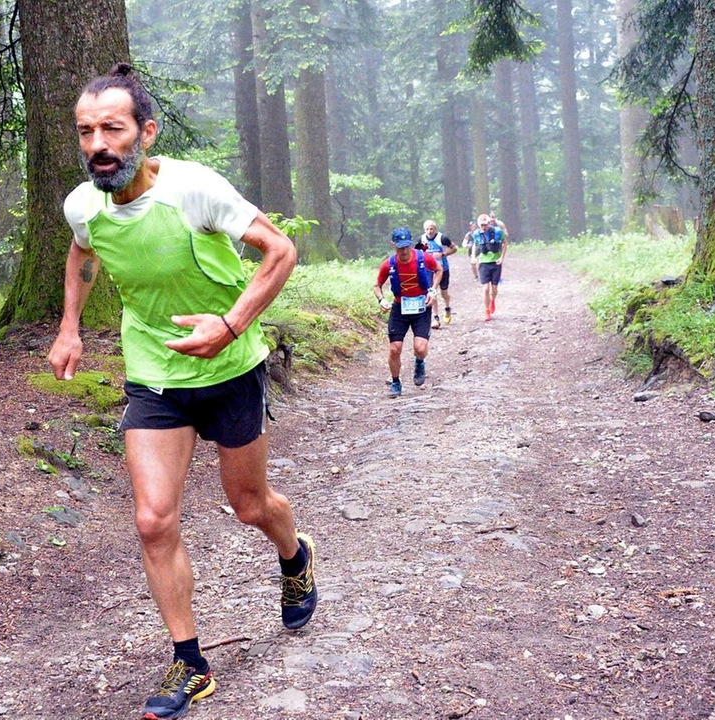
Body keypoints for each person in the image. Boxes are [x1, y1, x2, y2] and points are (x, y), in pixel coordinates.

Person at [48, 64, 316, 720]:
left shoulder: (192, 189)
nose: (97, 145)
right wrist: (69, 327)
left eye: (112, 128)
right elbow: (80, 253)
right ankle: (190, 662)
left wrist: (230, 326)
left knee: (250, 506)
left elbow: (281, 250)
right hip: (156, 374)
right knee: (152, 518)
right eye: (86, 132)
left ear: (146, 131)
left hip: (230, 372)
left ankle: (294, 553)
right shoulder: (84, 204)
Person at [374, 227, 442, 397]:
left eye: (406, 246)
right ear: (393, 245)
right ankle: (396, 382)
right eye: (400, 247)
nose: (404, 251)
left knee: (420, 348)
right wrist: (381, 300)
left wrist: (433, 290)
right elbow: (377, 285)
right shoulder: (389, 264)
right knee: (394, 349)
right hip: (399, 309)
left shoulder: (423, 257)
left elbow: (439, 270)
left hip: (421, 308)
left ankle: (419, 362)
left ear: (411, 244)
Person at [416, 219, 456, 327]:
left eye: (431, 229)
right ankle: (435, 317)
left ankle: (447, 308)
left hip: (443, 269)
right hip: (428, 270)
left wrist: (442, 254)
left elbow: (454, 248)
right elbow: (418, 253)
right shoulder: (422, 239)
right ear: (424, 230)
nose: (429, 231)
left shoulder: (442, 238)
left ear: (435, 229)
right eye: (427, 229)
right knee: (432, 292)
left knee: (444, 293)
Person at [470, 213, 508, 321]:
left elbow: (505, 243)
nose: (483, 227)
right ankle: (487, 311)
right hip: (484, 263)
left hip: (496, 263)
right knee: (485, 288)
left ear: (488, 223)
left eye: (485, 225)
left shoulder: (497, 232)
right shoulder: (477, 234)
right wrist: (473, 256)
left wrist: (502, 257)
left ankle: (492, 301)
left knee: (494, 289)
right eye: (481, 225)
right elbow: (475, 245)